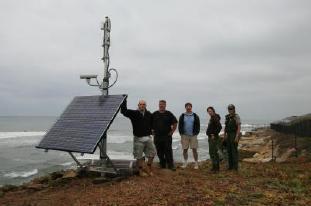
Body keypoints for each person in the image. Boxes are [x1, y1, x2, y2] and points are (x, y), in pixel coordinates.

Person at [121, 98, 156, 177]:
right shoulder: (134, 113)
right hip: (138, 139)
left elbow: (152, 123)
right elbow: (124, 111)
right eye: (141, 104)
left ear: (145, 106)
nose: (142, 106)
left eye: (144, 104)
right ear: (138, 105)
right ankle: (140, 171)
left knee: (153, 153)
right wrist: (124, 101)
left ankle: (148, 166)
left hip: (147, 138)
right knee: (139, 156)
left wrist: (153, 130)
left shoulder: (149, 114)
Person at [152, 100, 178, 171]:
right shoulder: (154, 114)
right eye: (160, 104)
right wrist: (151, 131)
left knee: (168, 151)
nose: (161, 105)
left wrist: (172, 131)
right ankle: (162, 164)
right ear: (158, 105)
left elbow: (175, 123)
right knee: (159, 151)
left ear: (165, 105)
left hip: (167, 136)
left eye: (163, 104)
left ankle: (171, 165)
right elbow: (149, 123)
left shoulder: (169, 113)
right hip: (157, 136)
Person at [178, 102, 200, 169]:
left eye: (189, 106)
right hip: (184, 135)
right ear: (185, 107)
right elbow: (180, 126)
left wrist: (196, 133)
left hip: (193, 135)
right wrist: (181, 134)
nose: (188, 107)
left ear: (191, 107)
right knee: (185, 150)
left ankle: (196, 163)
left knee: (194, 149)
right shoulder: (182, 116)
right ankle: (185, 163)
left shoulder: (195, 116)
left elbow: (198, 125)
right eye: (187, 106)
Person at [223, 104, 241, 171]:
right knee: (229, 151)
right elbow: (225, 127)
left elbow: (239, 127)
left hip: (234, 134)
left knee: (234, 151)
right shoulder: (227, 117)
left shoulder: (236, 116)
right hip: (228, 135)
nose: (230, 110)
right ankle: (230, 167)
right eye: (229, 109)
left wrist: (237, 136)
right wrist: (224, 135)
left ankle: (235, 167)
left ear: (234, 109)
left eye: (231, 109)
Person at [206, 106, 222, 172]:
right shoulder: (212, 117)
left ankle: (216, 168)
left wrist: (214, 134)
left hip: (213, 138)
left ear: (213, 110)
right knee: (212, 152)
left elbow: (219, 127)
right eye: (208, 111)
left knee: (214, 153)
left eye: (210, 111)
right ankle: (214, 167)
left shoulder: (215, 117)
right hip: (211, 137)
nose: (209, 112)